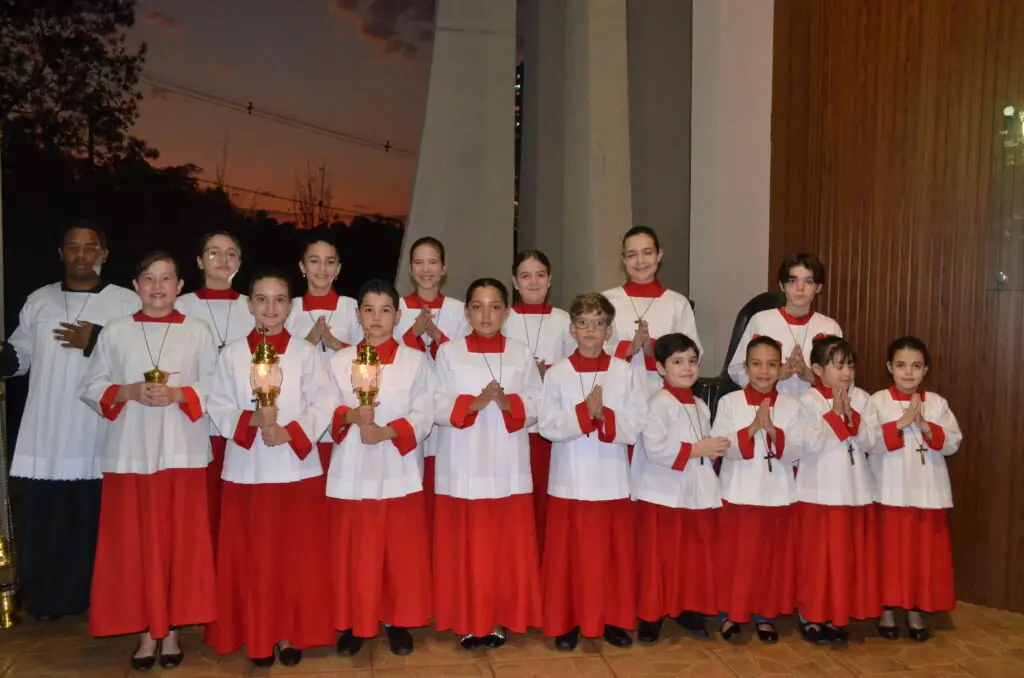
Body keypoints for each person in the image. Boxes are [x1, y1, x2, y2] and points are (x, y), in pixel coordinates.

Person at [79, 251, 218, 671]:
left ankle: (170, 630)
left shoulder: (197, 330)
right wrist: (128, 391)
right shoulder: (116, 330)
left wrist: (179, 394)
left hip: (181, 451)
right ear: (136, 285)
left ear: (180, 286)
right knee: (134, 546)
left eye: (167, 279)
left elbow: (217, 384)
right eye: (149, 278)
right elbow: (92, 384)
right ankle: (145, 630)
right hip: (130, 453)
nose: (158, 287)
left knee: (179, 545)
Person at [0, 219, 137, 621]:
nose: (81, 254)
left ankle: (93, 599)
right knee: (45, 521)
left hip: (96, 430)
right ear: (60, 254)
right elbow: (21, 356)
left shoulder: (125, 301)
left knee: (88, 522)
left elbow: (139, 356)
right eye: (73, 247)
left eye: (90, 246)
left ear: (104, 254)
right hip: (45, 430)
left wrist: (95, 339)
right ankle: (45, 600)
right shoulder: (39, 300)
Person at [205, 271, 336, 667]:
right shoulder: (231, 355)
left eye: (279, 299)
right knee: (253, 558)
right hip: (248, 470)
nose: (270, 308)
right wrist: (252, 421)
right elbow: (218, 404)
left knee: (293, 557)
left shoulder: (304, 353)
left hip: (295, 469)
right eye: (261, 299)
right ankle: (257, 633)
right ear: (249, 304)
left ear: (290, 306)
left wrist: (290, 432)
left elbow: (324, 401)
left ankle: (288, 632)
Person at [431, 278, 543, 649]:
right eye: (477, 307)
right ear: (466, 312)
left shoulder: (521, 353)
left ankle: (499, 617)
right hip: (463, 462)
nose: (486, 315)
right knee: (466, 549)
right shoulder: (449, 352)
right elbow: (435, 403)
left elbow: (538, 402)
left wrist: (509, 403)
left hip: (508, 464)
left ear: (506, 312)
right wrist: (474, 403)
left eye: (495, 307)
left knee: (503, 549)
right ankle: (468, 618)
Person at [328, 279, 436, 657]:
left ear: (398, 315)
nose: (377, 318)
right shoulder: (338, 361)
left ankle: (397, 620)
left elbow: (425, 413)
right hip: (352, 467)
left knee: (398, 552)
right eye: (369, 310)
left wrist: (387, 431)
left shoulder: (415, 361)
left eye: (385, 310)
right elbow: (325, 409)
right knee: (356, 553)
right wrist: (349, 416)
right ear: (358, 315)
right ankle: (356, 622)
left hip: (397, 467)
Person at [538, 293, 645, 650]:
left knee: (611, 558)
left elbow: (635, 424)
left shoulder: (624, 372)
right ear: (572, 329)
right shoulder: (557, 374)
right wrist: (584, 415)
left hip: (610, 477)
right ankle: (567, 621)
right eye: (582, 322)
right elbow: (547, 425)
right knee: (568, 557)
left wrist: (604, 416)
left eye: (598, 323)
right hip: (569, 479)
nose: (590, 329)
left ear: (609, 331)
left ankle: (612, 619)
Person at [634, 333, 727, 643]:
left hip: (695, 491)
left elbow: (705, 443)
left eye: (692, 361)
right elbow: (655, 448)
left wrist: (712, 449)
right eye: (677, 362)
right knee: (661, 557)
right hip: (664, 492)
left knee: (691, 555)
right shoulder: (657, 403)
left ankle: (688, 608)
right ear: (660, 368)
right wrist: (699, 449)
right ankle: (652, 615)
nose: (687, 368)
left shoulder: (700, 405)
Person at [869, 336, 961, 642]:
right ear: (889, 367)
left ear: (926, 370)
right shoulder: (878, 401)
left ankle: (915, 611)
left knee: (922, 559)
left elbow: (952, 442)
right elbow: (868, 441)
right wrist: (900, 423)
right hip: (890, 492)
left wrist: (923, 425)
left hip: (927, 494)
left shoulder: (936, 403)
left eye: (916, 366)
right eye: (901, 365)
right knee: (890, 557)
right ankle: (887, 611)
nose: (908, 372)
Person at [711, 336, 802, 643]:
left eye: (772, 364)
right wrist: (751, 429)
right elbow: (721, 444)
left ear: (781, 367)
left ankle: (765, 614)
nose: (764, 371)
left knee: (768, 558)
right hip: (738, 490)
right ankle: (729, 614)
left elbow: (799, 448)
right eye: (757, 364)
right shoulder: (730, 402)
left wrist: (774, 432)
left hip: (778, 493)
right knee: (735, 558)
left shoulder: (792, 405)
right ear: (746, 367)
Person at [791, 335, 880, 644]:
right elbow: (808, 444)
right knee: (817, 560)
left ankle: (837, 612)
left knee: (845, 560)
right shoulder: (808, 401)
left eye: (850, 366)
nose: (846, 373)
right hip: (818, 492)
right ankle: (811, 614)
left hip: (854, 492)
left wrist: (851, 417)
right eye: (838, 366)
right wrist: (833, 416)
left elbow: (872, 442)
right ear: (817, 369)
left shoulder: (863, 398)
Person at [175, 231, 254, 551]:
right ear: (199, 261)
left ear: (240, 262)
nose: (223, 260)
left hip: (240, 420)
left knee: (233, 510)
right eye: (213, 253)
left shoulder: (253, 306)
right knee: (199, 509)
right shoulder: (181, 305)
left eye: (231, 253)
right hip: (195, 422)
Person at [392, 236, 468, 530]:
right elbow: (392, 357)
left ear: (444, 268)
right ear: (411, 269)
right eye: (419, 263)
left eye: (432, 262)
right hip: (408, 407)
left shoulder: (459, 310)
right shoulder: (396, 308)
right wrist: (412, 333)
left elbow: (463, 359)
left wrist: (435, 334)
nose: (426, 270)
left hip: (447, 408)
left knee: (442, 481)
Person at [504, 250, 574, 547]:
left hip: (551, 424)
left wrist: (551, 373)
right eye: (525, 276)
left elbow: (576, 368)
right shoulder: (503, 317)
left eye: (540, 275)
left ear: (550, 279)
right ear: (514, 282)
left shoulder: (564, 320)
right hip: (514, 424)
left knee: (547, 498)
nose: (533, 282)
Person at [285, 231, 360, 472]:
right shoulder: (289, 308)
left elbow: (370, 357)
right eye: (314, 261)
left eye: (330, 262)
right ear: (302, 266)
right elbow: (277, 363)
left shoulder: (352, 308)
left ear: (338, 269)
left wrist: (334, 343)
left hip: (343, 407)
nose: (322, 269)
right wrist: (309, 341)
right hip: (301, 409)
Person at [728, 253, 842, 397]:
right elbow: (736, 370)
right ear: (782, 285)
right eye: (792, 281)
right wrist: (774, 375)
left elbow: (843, 377)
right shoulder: (761, 321)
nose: (800, 288)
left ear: (818, 287)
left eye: (808, 281)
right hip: (771, 405)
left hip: (817, 407)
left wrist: (812, 377)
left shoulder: (830, 327)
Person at [602, 226, 701, 393]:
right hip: (617, 392)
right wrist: (629, 348)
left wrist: (654, 349)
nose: (640, 261)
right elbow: (592, 348)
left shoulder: (677, 303)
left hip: (663, 393)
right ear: (624, 260)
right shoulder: (606, 301)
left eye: (647, 253)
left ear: (659, 255)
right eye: (632, 255)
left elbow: (692, 354)